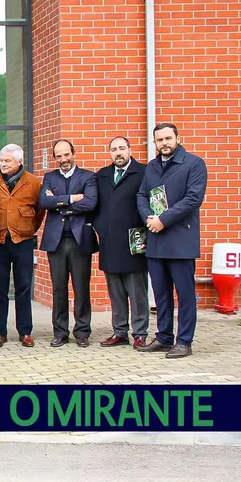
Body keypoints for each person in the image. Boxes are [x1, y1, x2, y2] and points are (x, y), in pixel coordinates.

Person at [136, 123, 208, 359]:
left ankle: (184, 341)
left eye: (168, 138)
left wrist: (163, 220)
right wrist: (149, 217)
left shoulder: (194, 163)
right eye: (159, 140)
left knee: (184, 294)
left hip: (180, 240)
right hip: (156, 240)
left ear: (178, 138)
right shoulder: (152, 167)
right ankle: (164, 337)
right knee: (161, 293)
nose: (164, 143)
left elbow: (193, 199)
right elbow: (142, 195)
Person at [0, 143, 45, 349]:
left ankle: (25, 332)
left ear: (19, 162)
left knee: (23, 288)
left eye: (8, 161)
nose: (3, 164)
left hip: (23, 242)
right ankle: (0, 333)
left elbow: (39, 212)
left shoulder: (33, 183)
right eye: (1, 160)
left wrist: (25, 229)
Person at [39, 139, 98, 347]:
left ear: (73, 154)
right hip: (56, 241)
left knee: (81, 288)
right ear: (54, 158)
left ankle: (82, 331)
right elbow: (44, 202)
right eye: (59, 156)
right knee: (58, 289)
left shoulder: (89, 177)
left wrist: (60, 203)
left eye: (66, 155)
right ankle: (60, 332)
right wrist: (73, 198)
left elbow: (91, 202)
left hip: (79, 240)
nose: (63, 159)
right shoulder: (49, 177)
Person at [94, 136, 149, 349]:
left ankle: (140, 333)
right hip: (109, 242)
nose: (118, 153)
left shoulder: (143, 173)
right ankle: (119, 331)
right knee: (115, 291)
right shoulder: (102, 175)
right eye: (114, 149)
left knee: (137, 292)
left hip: (135, 240)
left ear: (129, 150)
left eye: (122, 148)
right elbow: (95, 206)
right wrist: (100, 227)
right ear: (109, 153)